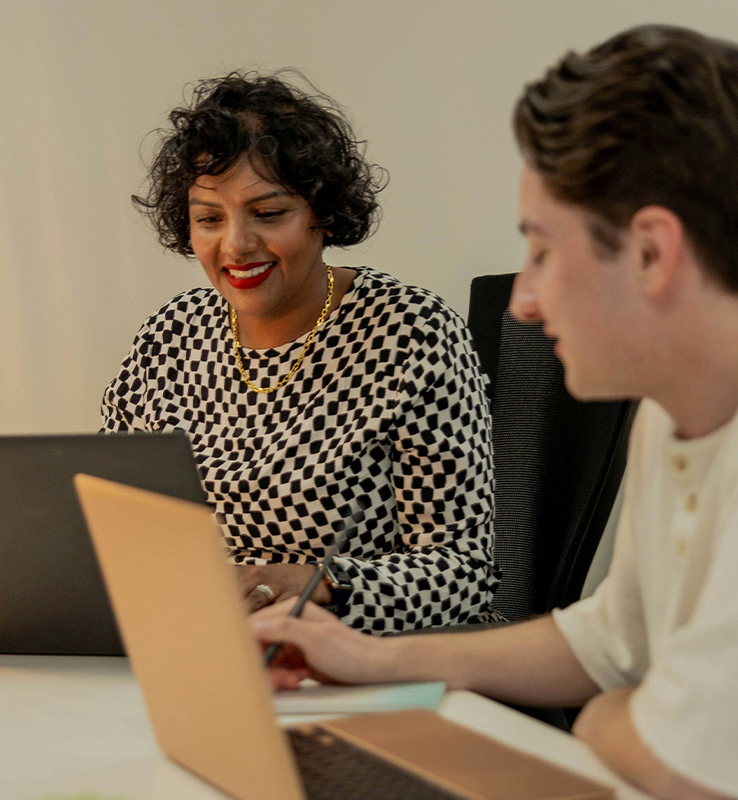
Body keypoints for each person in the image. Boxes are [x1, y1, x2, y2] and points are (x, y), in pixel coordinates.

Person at [251, 26, 738, 800]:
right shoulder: (674, 409)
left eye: (543, 250)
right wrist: (369, 657)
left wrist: (607, 716)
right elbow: (610, 640)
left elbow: (693, 773)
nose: (523, 300)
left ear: (652, 252)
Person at [101, 72, 499, 633]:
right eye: (209, 218)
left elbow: (466, 572)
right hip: (199, 644)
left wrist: (323, 583)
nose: (236, 244)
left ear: (322, 214)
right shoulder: (170, 336)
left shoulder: (412, 333)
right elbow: (107, 526)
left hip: (362, 657)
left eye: (268, 213)